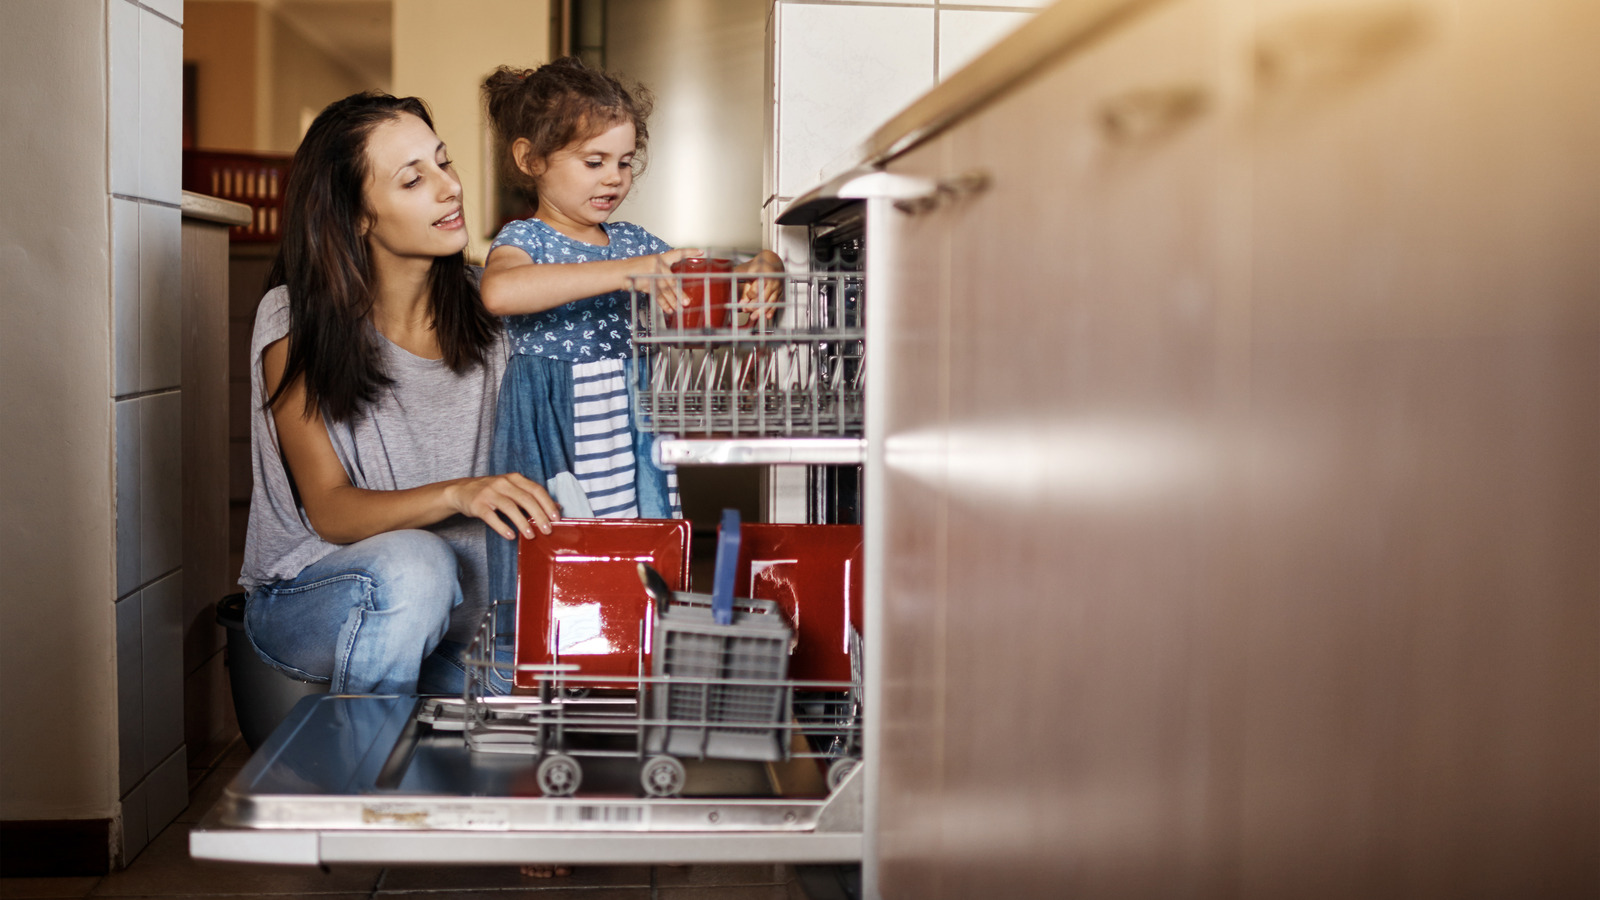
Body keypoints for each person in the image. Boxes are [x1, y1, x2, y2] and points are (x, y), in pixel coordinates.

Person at [239, 91, 560, 697]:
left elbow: (618, 306)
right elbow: (330, 510)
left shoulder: (497, 310)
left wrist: (750, 272)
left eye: (444, 162)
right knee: (417, 565)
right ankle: (360, 782)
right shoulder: (295, 320)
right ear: (358, 214)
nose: (449, 188)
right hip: (318, 594)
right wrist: (460, 493)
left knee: (549, 697)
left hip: (466, 630)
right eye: (414, 180)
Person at [478, 57, 782, 605]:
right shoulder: (525, 237)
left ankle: (635, 646)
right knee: (560, 553)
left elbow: (703, 286)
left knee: (638, 544)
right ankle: (554, 662)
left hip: (630, 420)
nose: (614, 178)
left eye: (624, 162)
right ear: (532, 160)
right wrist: (623, 274)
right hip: (557, 422)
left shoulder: (634, 240)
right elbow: (501, 292)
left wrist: (763, 266)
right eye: (594, 161)